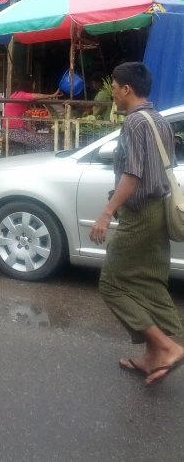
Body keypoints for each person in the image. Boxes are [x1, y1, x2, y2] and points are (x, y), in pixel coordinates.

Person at [90, 62, 184, 387]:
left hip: (141, 213)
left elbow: (133, 175)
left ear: (126, 89)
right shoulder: (160, 121)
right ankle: (151, 357)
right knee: (147, 280)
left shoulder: (133, 123)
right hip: (159, 210)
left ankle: (166, 347)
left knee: (112, 284)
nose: (112, 91)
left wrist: (105, 213)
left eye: (114, 86)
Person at [3, 74, 62, 152]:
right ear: (29, 85)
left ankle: (30, 156)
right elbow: (34, 96)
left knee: (35, 141)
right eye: (34, 84)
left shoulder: (15, 94)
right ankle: (35, 160)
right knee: (48, 142)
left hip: (10, 130)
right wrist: (52, 95)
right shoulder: (21, 95)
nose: (34, 86)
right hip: (16, 132)